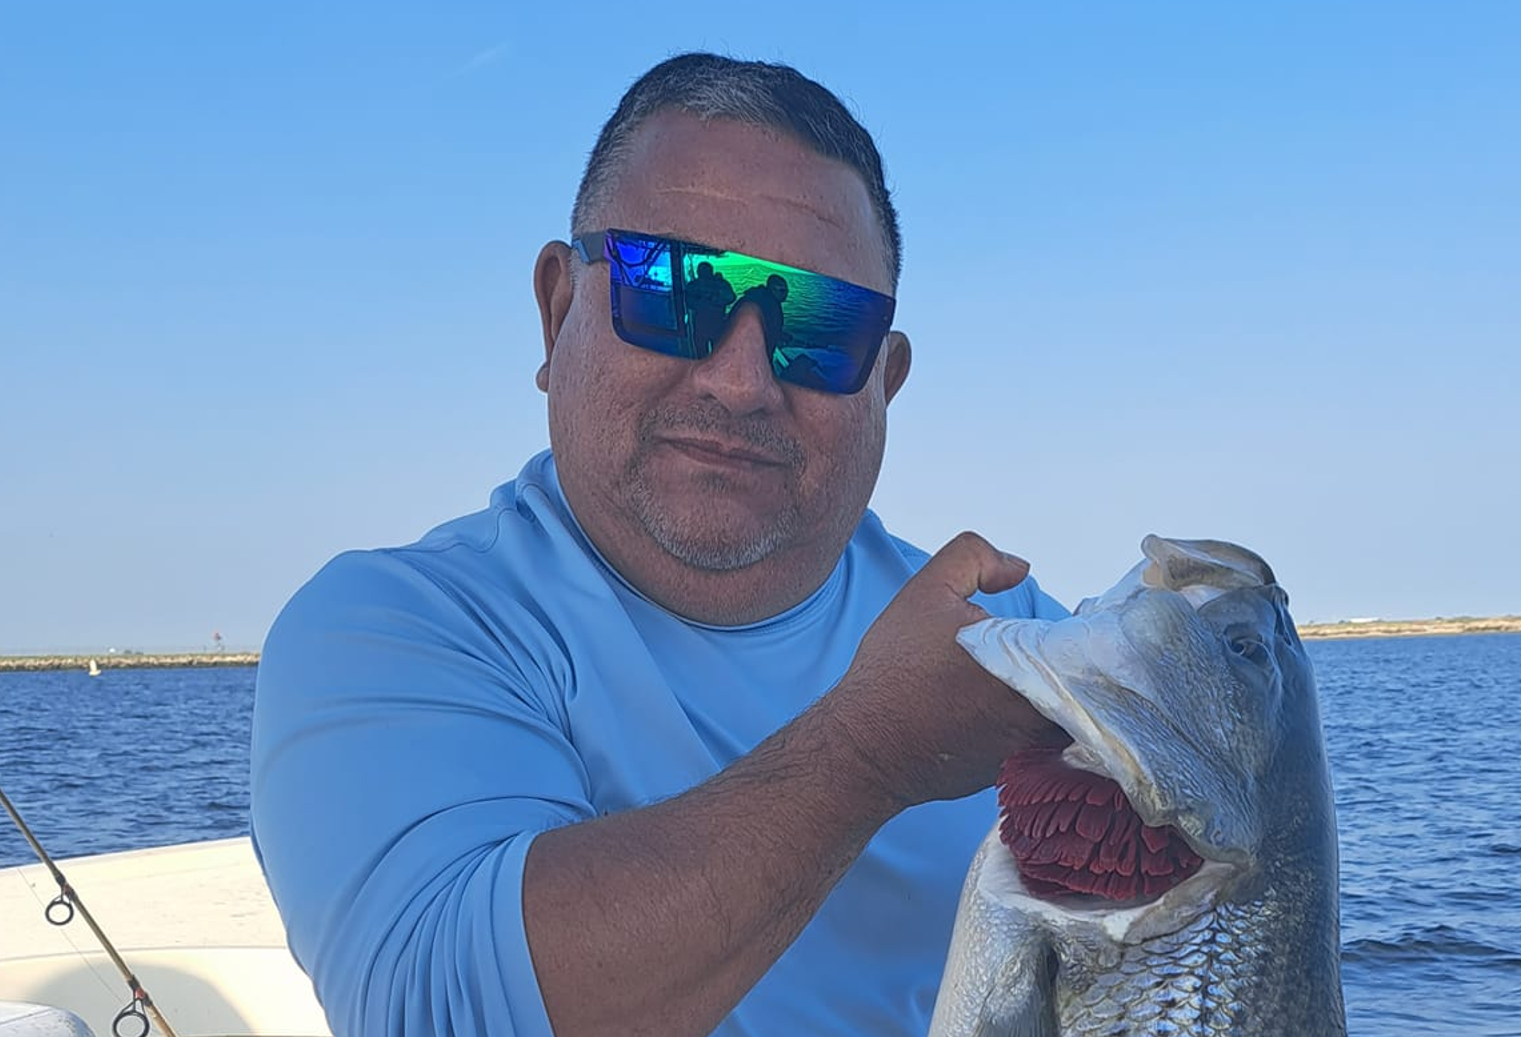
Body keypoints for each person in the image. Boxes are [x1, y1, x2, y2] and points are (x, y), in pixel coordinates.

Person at [250, 52, 1067, 1037]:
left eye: (818, 324)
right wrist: (870, 749)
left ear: (883, 380)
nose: (739, 379)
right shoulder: (394, 630)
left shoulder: (1019, 644)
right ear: (557, 311)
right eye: (672, 292)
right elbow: (442, 1005)